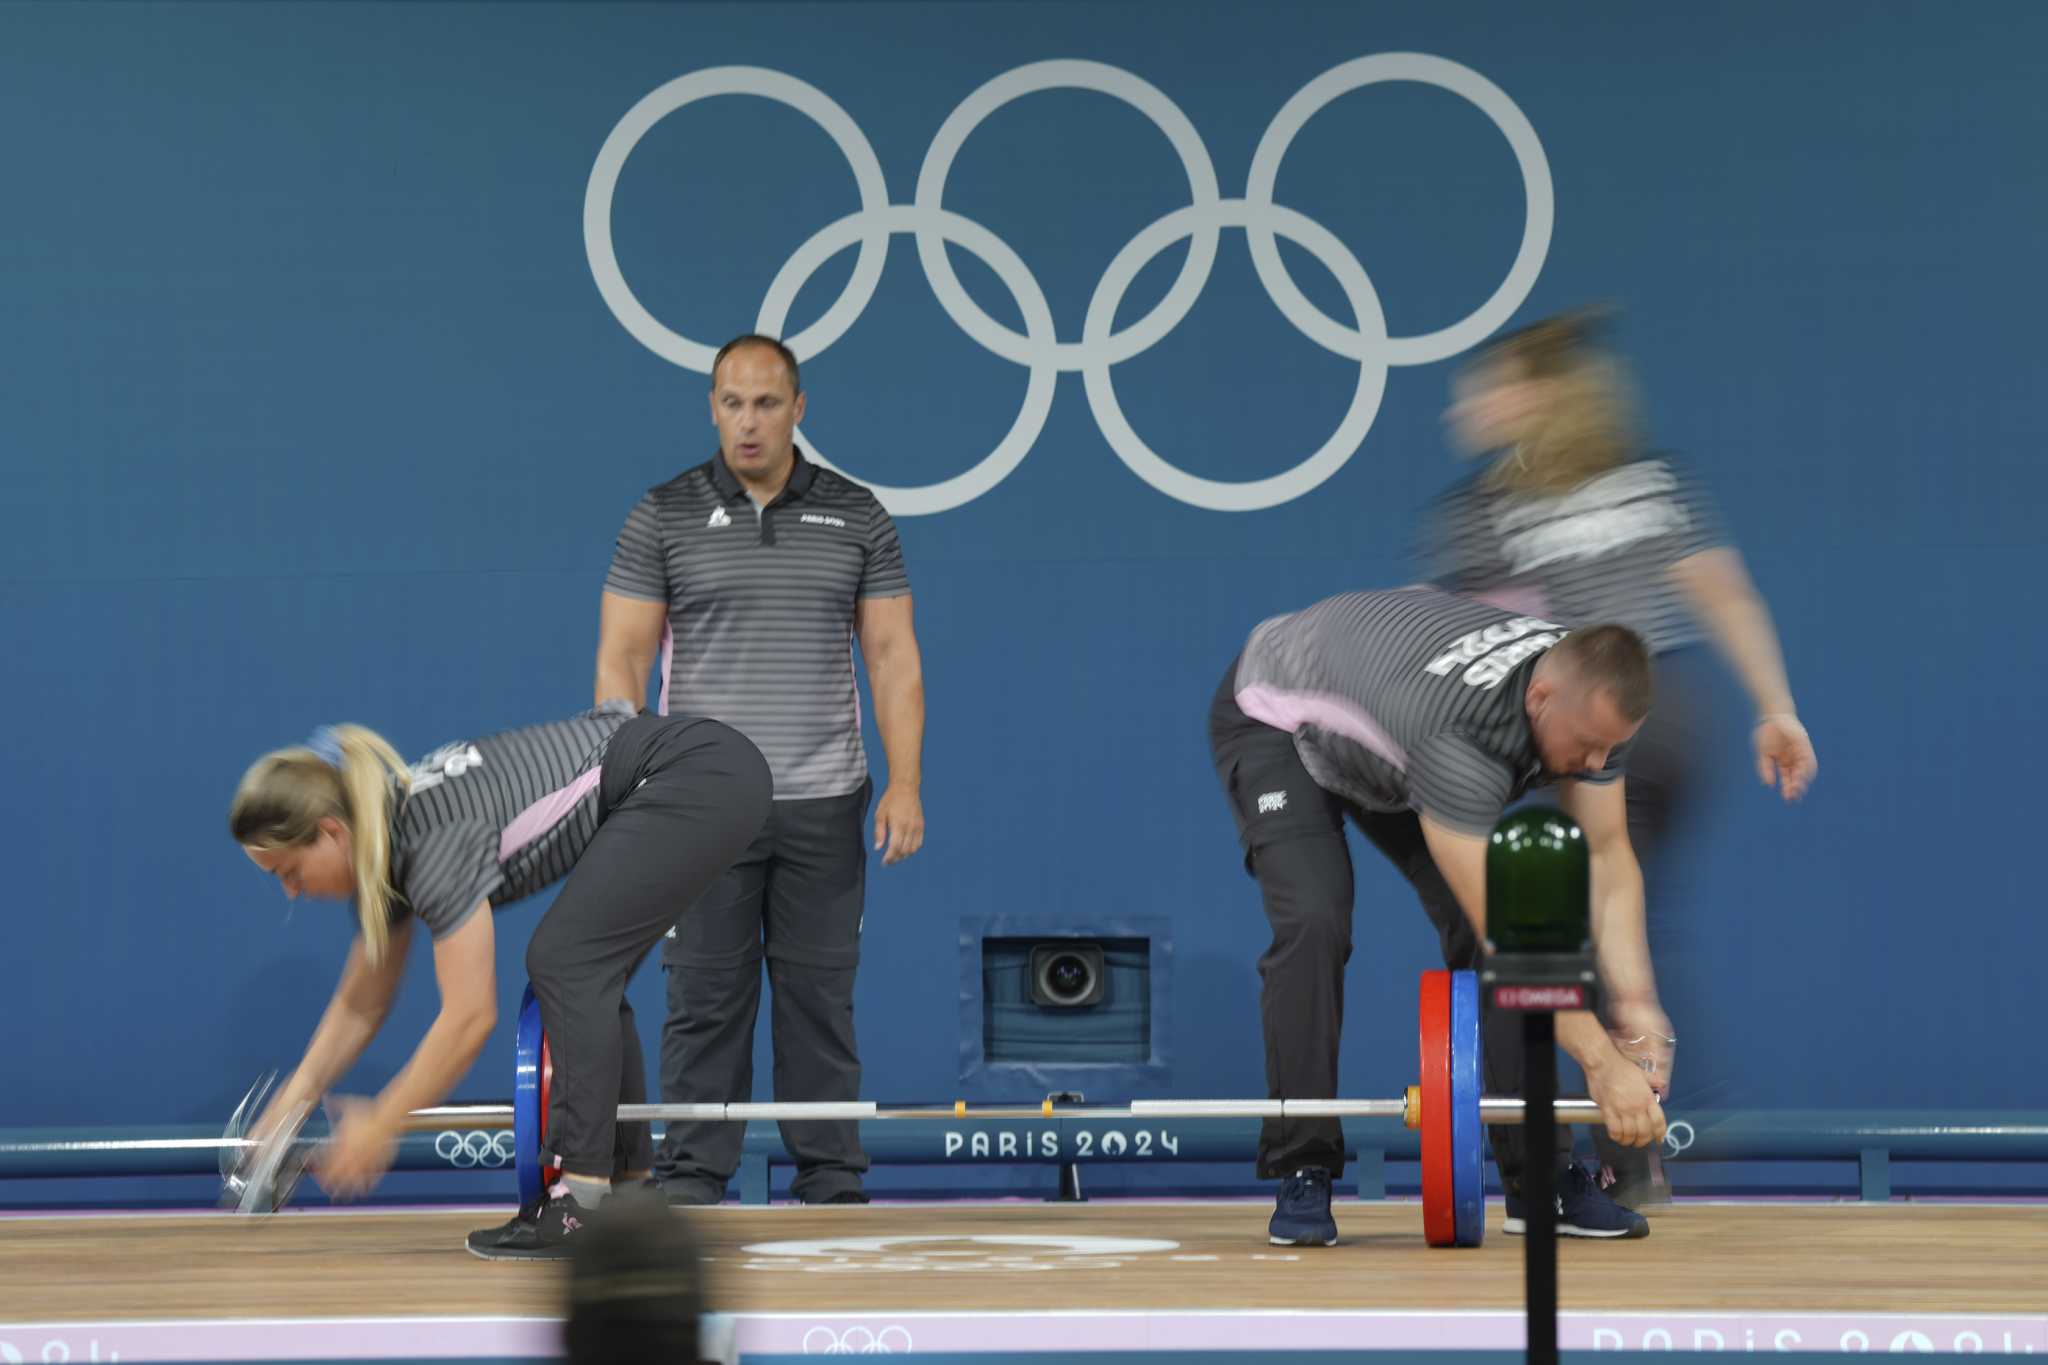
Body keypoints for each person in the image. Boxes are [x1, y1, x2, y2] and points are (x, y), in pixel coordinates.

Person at [1423, 309, 1818, 1203]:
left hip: (1600, 718)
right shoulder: (1650, 479)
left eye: (1485, 388)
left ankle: (1629, 1155)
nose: (1467, 407)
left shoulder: (1485, 508)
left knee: (1585, 921)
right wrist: (1774, 707)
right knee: (1619, 917)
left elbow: (1479, 648)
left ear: (1538, 396)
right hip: (1675, 712)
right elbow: (1725, 591)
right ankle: (1639, 1134)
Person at [1209, 586, 1670, 1246]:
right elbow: (1511, 943)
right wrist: (1600, 1062)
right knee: (1315, 918)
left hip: (1389, 732)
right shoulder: (1456, 739)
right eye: (1589, 746)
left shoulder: (1593, 688)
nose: (1595, 765)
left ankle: (1540, 1178)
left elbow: (1605, 851)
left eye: (1611, 749)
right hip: (1280, 715)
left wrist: (1638, 1004)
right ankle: (1303, 1164)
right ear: (1540, 700)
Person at [229, 703, 770, 1259]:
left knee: (565, 963)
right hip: (702, 771)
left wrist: (381, 1124)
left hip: (694, 772)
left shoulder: (427, 843)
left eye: (288, 872)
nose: (291, 892)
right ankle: (629, 1192)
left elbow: (469, 1019)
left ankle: (581, 1203)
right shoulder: (388, 841)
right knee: (581, 976)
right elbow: (363, 1003)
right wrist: (293, 1101)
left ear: (331, 833)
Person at [595, 334, 926, 1206]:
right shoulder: (660, 513)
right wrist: (628, 779)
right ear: (712, 407)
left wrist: (905, 781)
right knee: (705, 999)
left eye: (767, 403)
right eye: (733, 403)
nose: (749, 421)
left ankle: (830, 1177)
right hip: (699, 808)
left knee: (820, 1002)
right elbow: (621, 661)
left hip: (825, 800)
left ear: (799, 408)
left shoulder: (858, 515)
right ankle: (695, 1177)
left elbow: (892, 656)